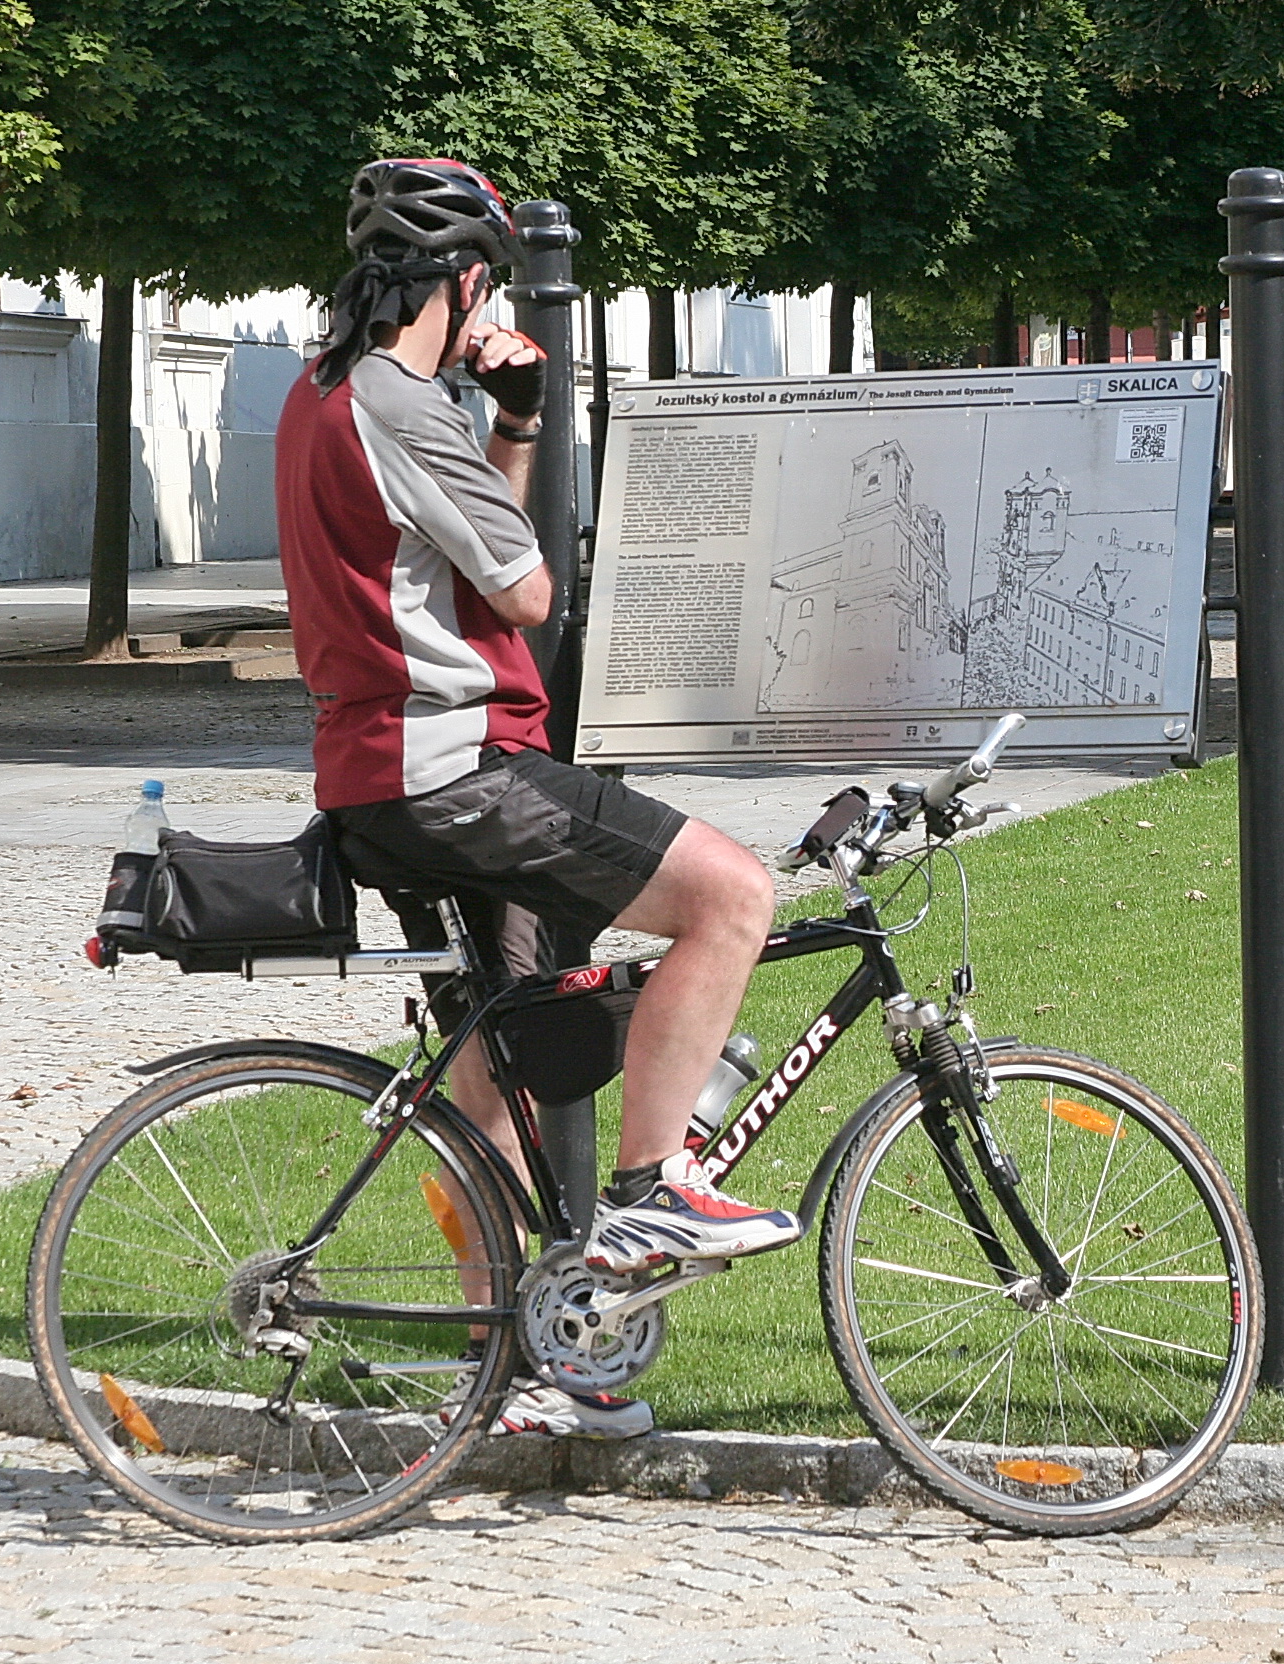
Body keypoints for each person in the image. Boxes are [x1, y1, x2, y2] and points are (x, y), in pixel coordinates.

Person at [274, 158, 798, 1437]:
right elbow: (525, 590)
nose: (491, 305)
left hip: (379, 773)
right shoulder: (404, 406)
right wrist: (521, 412)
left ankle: (513, 1365)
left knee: (491, 1084)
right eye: (487, 284)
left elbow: (464, 560)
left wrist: (504, 423)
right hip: (456, 768)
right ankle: (657, 1187)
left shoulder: (321, 391)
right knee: (733, 897)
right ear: (462, 283)